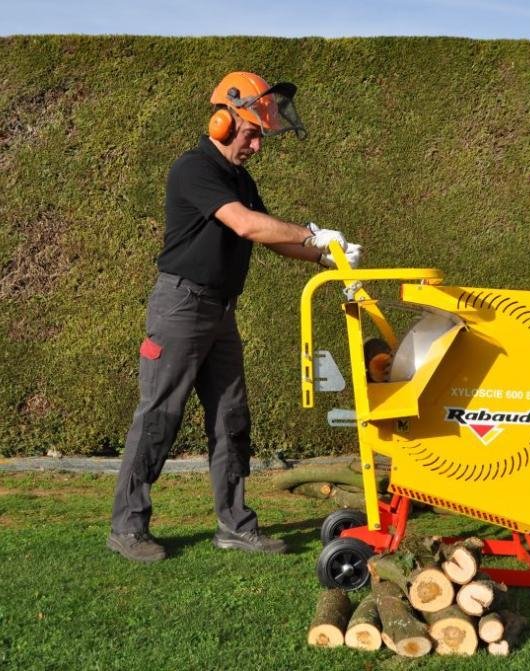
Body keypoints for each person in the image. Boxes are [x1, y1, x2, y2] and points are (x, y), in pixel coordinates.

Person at [108, 71, 362, 563]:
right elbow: (245, 224)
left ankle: (235, 526)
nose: (256, 146)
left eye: (260, 137)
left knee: (230, 417)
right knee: (159, 416)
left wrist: (325, 256)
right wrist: (312, 233)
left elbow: (270, 235)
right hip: (181, 306)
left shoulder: (241, 180)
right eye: (251, 134)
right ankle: (127, 527)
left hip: (220, 311)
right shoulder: (193, 169)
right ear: (222, 121)